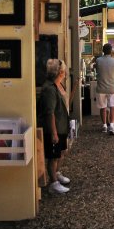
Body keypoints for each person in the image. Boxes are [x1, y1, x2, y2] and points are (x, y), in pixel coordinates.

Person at [37, 59, 71, 194]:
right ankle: (53, 183)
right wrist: (53, 132)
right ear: (61, 72)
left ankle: (56, 174)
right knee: (53, 156)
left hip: (62, 125)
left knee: (61, 152)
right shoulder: (50, 89)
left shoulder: (58, 85)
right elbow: (49, 113)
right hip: (55, 126)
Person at [95, 43, 114, 135]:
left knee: (103, 107)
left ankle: (104, 125)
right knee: (113, 106)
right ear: (110, 51)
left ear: (103, 50)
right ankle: (112, 126)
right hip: (112, 87)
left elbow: (97, 71)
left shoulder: (98, 60)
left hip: (101, 87)